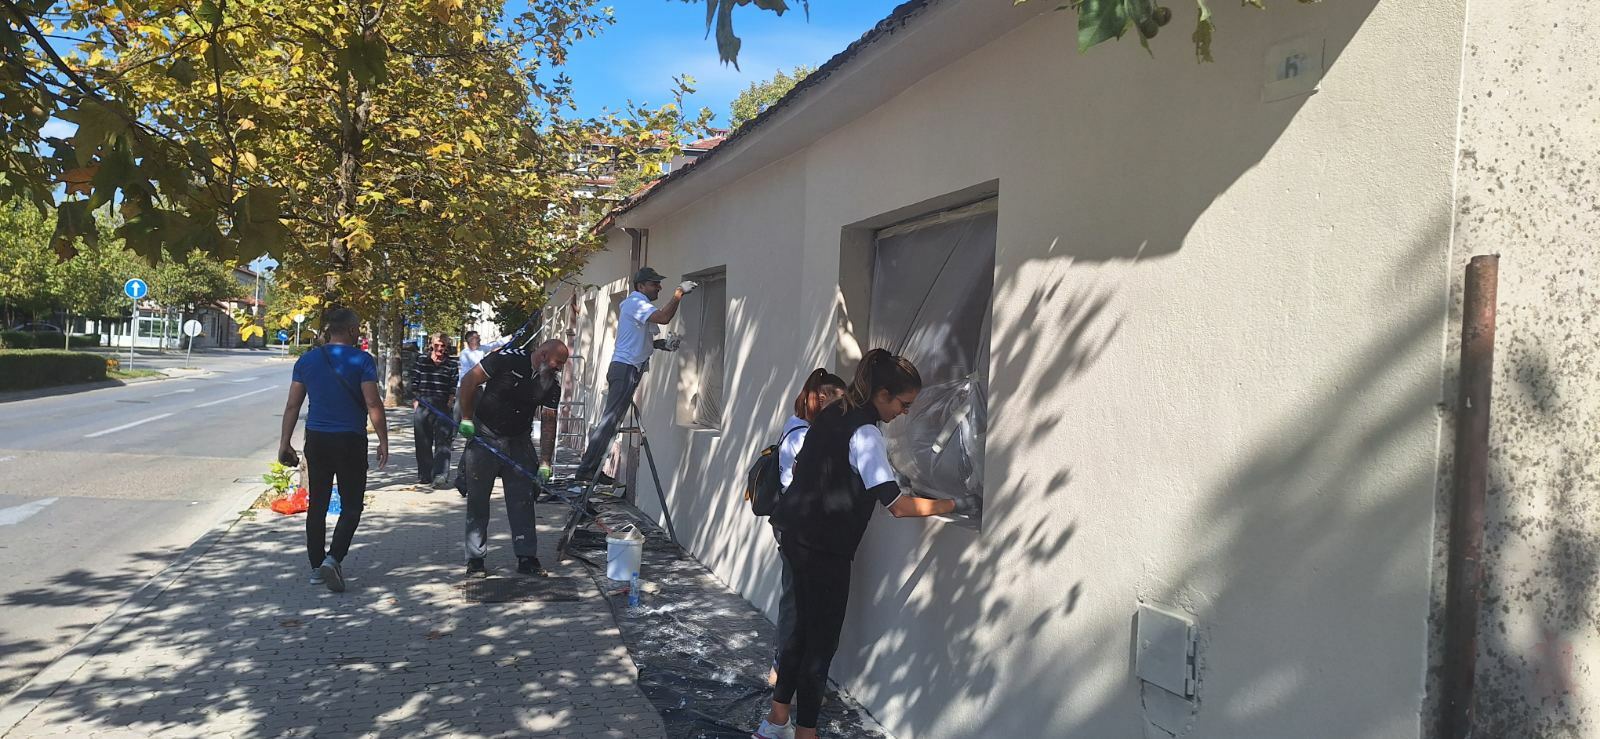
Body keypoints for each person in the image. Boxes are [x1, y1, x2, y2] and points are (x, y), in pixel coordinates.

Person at [754, 349, 983, 739]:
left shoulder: (833, 413)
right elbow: (897, 506)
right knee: (820, 644)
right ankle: (805, 734)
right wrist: (957, 503)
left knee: (798, 632)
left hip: (794, 533)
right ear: (882, 394)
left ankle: (775, 722)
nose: (904, 413)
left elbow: (815, 467)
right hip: (824, 548)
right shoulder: (865, 433)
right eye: (903, 404)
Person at [277, 308, 390, 593]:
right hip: (350, 440)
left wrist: (285, 443)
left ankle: (317, 567)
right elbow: (373, 403)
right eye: (358, 329)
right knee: (352, 506)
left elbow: (293, 405)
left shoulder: (307, 360)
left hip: (317, 440)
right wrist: (383, 440)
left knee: (318, 504)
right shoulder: (362, 360)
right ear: (351, 330)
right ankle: (333, 558)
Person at [569, 267, 696, 489]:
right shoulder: (636, 303)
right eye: (654, 284)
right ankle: (586, 470)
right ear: (641, 286)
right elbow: (664, 317)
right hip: (625, 369)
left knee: (613, 421)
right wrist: (679, 293)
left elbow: (638, 340)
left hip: (629, 368)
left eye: (659, 284)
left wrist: (661, 344)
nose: (659, 287)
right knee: (610, 421)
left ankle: (592, 468)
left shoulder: (639, 305)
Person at [455, 339, 570, 578]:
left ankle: (526, 557)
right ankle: (475, 560)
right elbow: (469, 381)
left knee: (523, 501)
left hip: (519, 442)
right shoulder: (506, 359)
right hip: (485, 437)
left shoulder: (551, 385)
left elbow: (549, 422)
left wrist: (545, 461)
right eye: (557, 362)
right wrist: (466, 418)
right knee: (478, 501)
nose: (559, 368)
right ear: (543, 355)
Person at [765, 369, 847, 687]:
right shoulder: (803, 435)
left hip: (791, 523)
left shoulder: (795, 424)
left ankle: (785, 670)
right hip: (797, 527)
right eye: (839, 403)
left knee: (795, 598)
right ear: (822, 398)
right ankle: (782, 671)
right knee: (796, 601)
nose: (842, 412)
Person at [411, 332, 458, 488]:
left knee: (443, 442)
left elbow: (453, 385)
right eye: (437, 345)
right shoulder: (421, 360)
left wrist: (450, 401)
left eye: (443, 345)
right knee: (422, 442)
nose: (439, 348)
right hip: (424, 403)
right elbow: (414, 382)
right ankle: (425, 475)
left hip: (442, 405)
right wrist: (416, 401)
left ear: (447, 346)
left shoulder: (451, 364)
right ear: (431, 344)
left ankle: (440, 475)